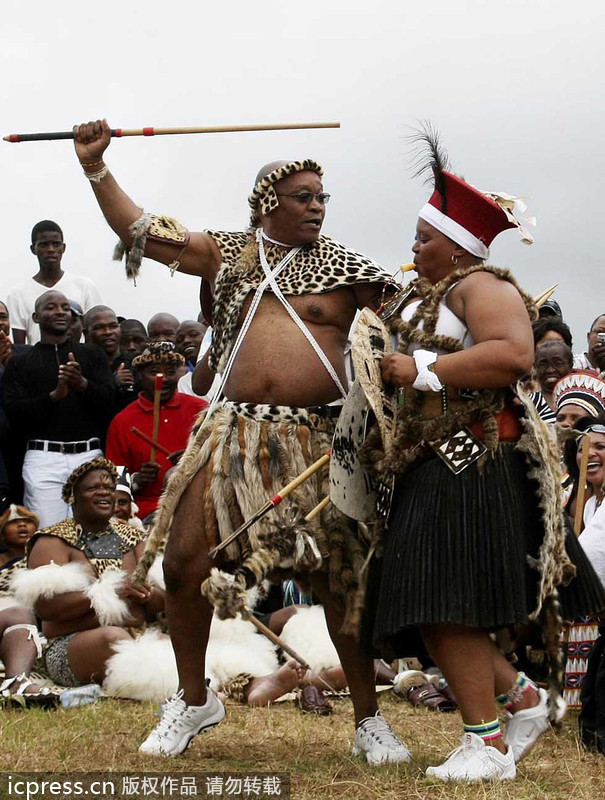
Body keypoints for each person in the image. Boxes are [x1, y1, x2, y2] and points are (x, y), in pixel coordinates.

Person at [71, 118, 406, 763]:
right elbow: (141, 230)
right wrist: (96, 167)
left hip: (318, 444)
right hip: (233, 436)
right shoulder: (229, 254)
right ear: (267, 204)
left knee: (339, 579)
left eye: (322, 197)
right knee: (184, 564)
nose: (317, 206)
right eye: (303, 196)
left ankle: (368, 717)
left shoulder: (351, 271)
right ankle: (195, 699)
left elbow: (408, 327)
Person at [361, 130, 605, 781]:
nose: (413, 245)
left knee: (445, 604)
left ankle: (486, 745)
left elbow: (511, 355)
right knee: (425, 605)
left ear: (457, 243)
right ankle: (521, 702)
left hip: (470, 464)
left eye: (424, 235)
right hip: (430, 466)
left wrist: (418, 369)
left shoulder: (482, 285)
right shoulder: (425, 299)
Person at [12, 458, 163, 691]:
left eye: (109, 489)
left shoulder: (134, 538)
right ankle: (160, 681)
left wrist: (148, 594)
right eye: (93, 488)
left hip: (140, 635)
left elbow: (164, 602)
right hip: (72, 645)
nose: (104, 494)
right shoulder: (52, 541)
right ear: (73, 497)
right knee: (112, 639)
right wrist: (109, 591)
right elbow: (46, 608)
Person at [3, 291, 114, 526]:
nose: (60, 312)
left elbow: (110, 403)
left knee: (94, 534)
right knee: (47, 533)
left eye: (65, 307)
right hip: (42, 458)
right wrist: (54, 396)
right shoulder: (20, 362)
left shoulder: (92, 355)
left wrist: (82, 385)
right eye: (51, 307)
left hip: (89, 456)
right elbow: (13, 412)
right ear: (36, 317)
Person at [105, 342, 207, 520]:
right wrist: (138, 480)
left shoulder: (200, 410)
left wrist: (193, 458)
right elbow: (114, 485)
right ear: (139, 376)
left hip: (197, 506)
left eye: (170, 372)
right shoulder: (122, 421)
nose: (163, 379)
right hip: (146, 513)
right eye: (154, 372)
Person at [0, 504, 61, 704]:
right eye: (14, 523)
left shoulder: (44, 557)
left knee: (22, 615)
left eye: (27, 522)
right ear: (2, 533)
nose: (22, 526)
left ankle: (16, 683)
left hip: (28, 620)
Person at [7, 221, 102, 345]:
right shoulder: (18, 293)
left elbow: (96, 328)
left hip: (78, 360)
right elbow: (19, 345)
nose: (51, 249)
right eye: (44, 245)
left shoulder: (84, 286)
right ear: (33, 249)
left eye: (56, 244)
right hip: (37, 362)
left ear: (63, 248)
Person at [530, 340, 574, 423]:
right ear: (535, 367)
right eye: (543, 364)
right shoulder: (528, 404)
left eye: (558, 363)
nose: (550, 370)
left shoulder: (583, 400)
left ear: (570, 366)